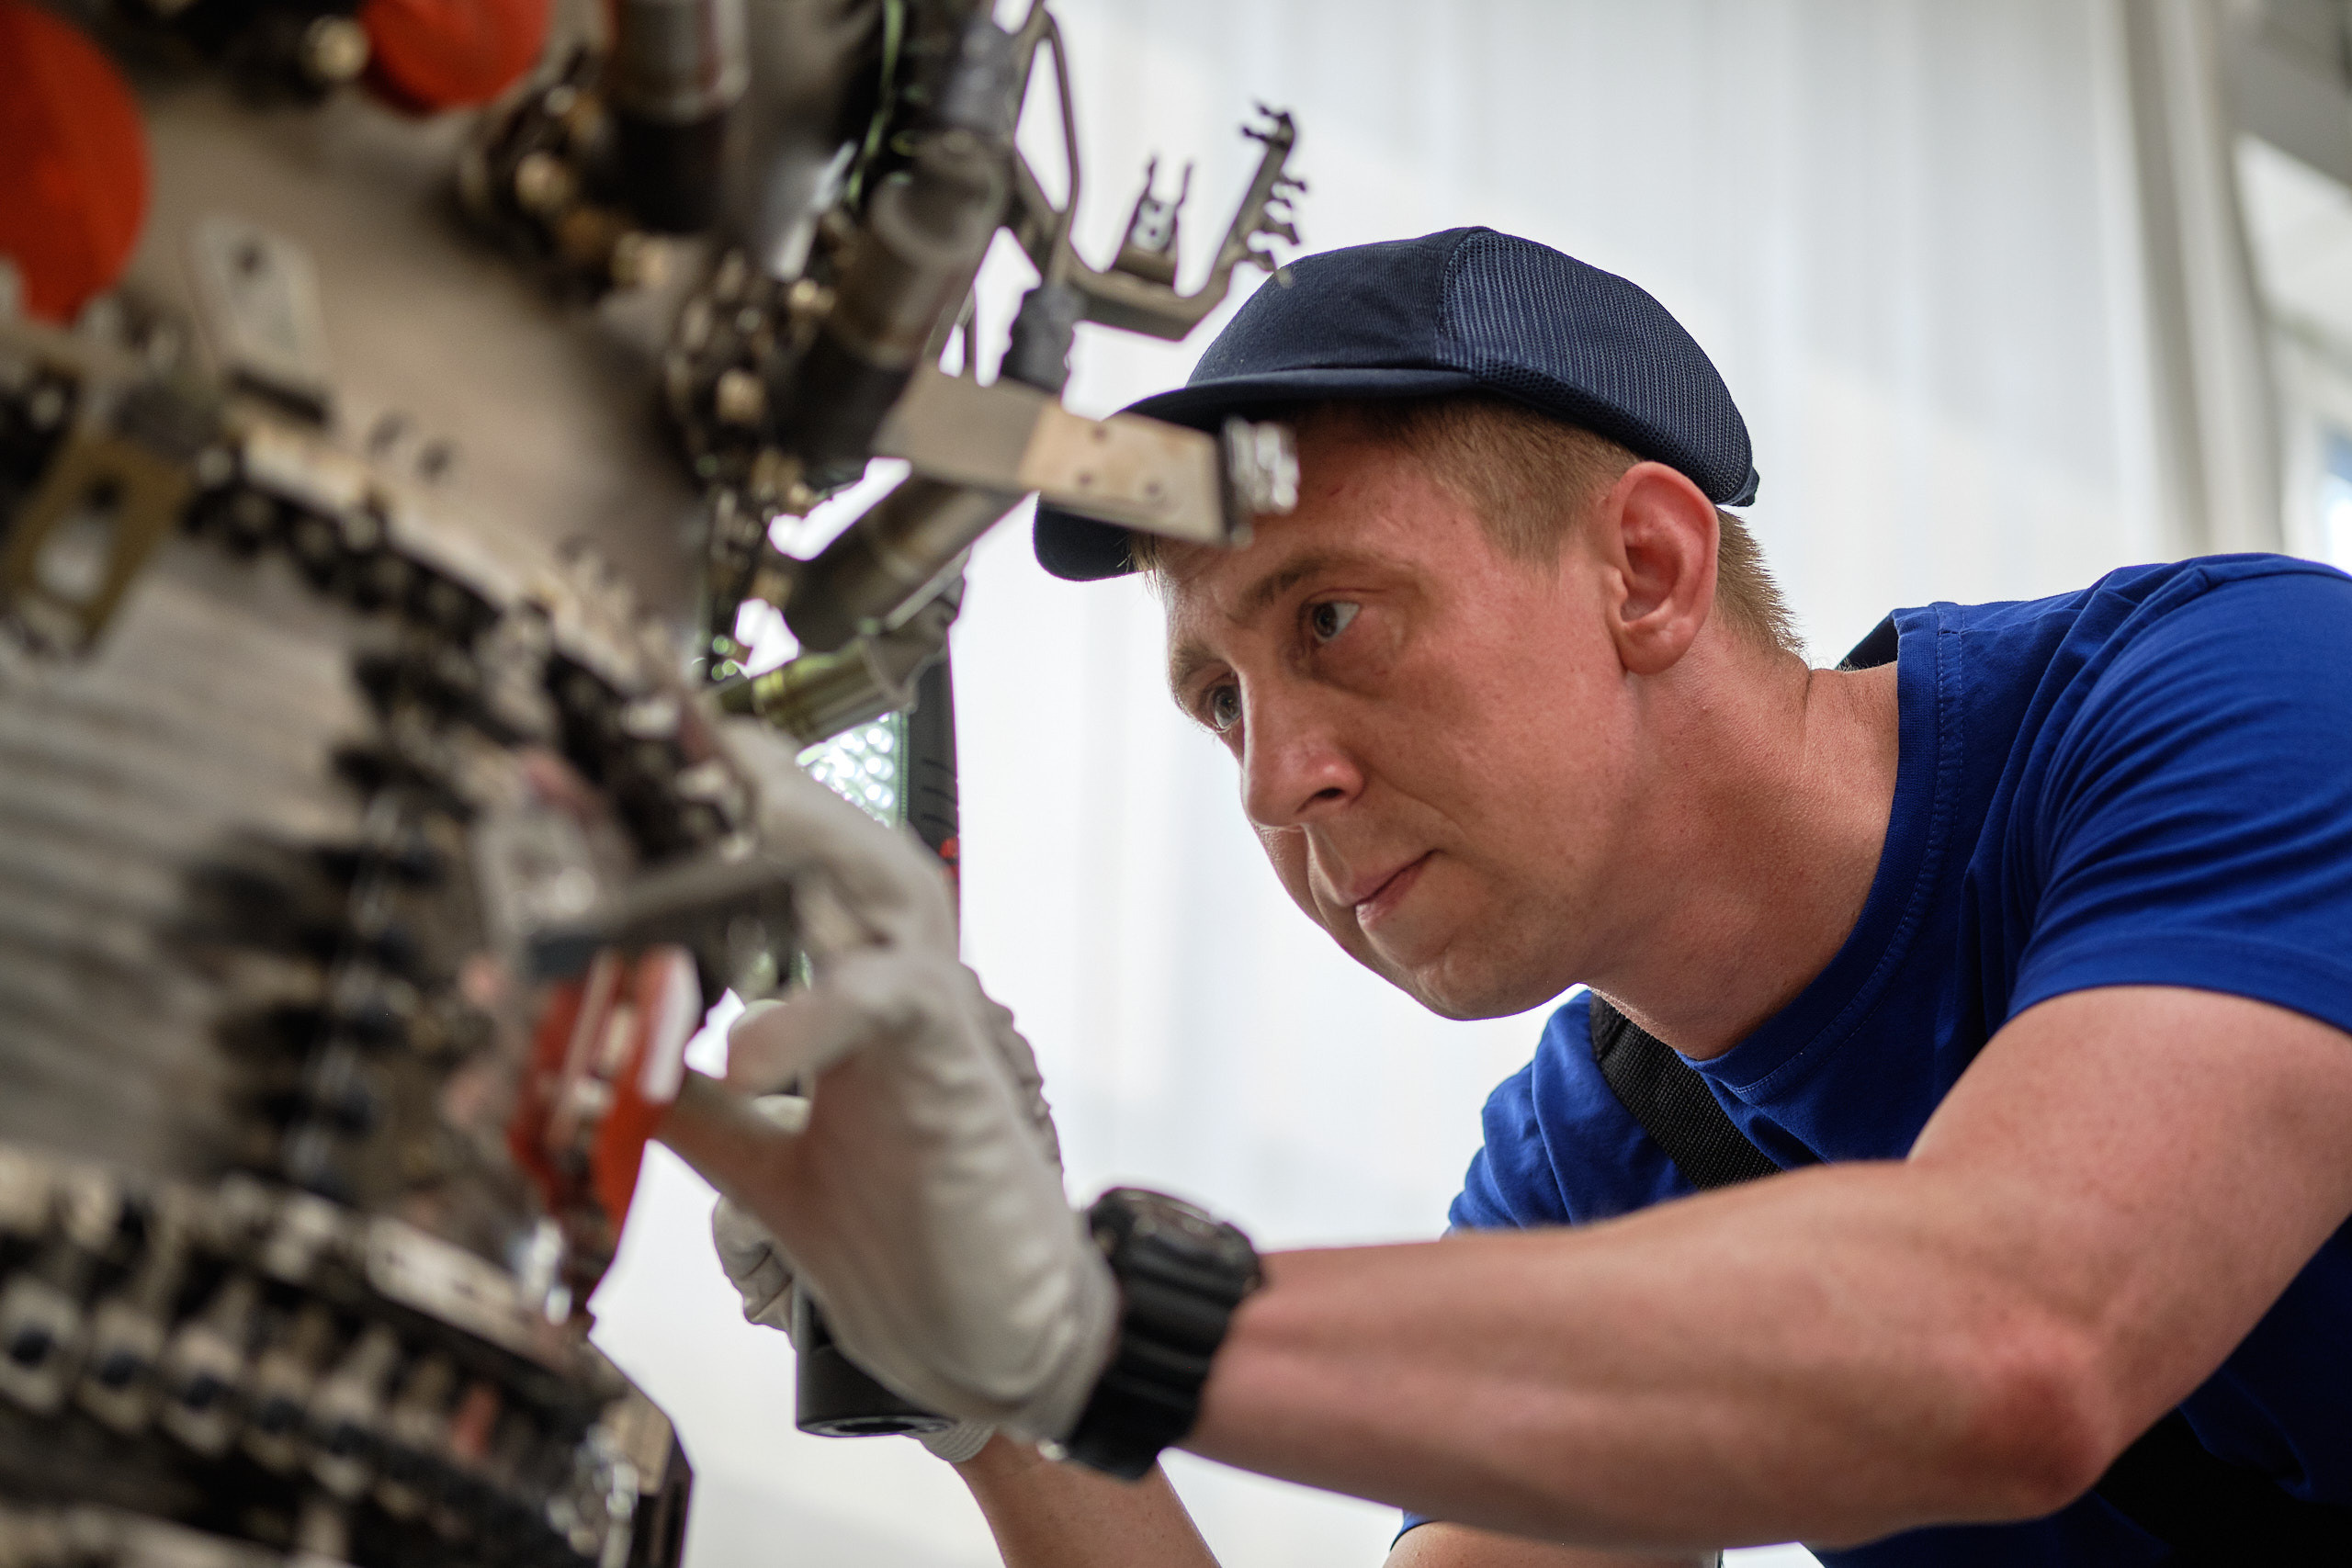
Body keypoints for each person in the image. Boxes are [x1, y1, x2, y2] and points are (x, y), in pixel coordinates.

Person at [655, 227, 2352, 1566]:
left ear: (1648, 571)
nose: (1273, 780)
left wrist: (1072, 1312)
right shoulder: (1595, 1165)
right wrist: (975, 1383)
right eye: (1220, 701)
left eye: (1330, 620)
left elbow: (2012, 1339)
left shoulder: (2233, 698)